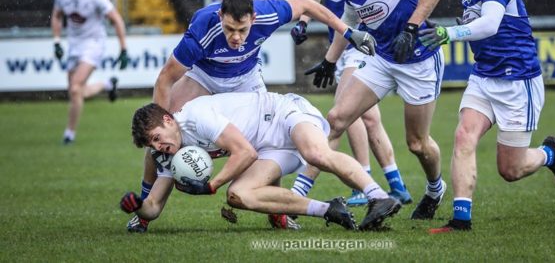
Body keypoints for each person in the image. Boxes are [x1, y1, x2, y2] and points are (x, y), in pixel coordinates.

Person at [127, 0, 375, 232]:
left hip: (246, 77)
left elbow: (306, 4)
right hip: (203, 77)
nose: (236, 37)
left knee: (265, 141)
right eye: (229, 29)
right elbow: (165, 79)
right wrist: (159, 118)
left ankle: (277, 213)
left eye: (242, 30)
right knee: (160, 136)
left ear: (253, 19)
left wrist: (347, 31)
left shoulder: (267, 13)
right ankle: (144, 213)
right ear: (220, 17)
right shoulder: (203, 28)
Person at [419, 0, 555, 233]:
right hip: (484, 78)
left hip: (517, 81)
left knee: (511, 169)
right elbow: (485, 29)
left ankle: (550, 155)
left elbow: (490, 24)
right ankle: (461, 220)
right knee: (464, 135)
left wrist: (451, 32)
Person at [305, 0, 449, 221]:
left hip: (418, 60)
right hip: (382, 59)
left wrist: (411, 27)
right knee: (335, 119)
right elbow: (349, 17)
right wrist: (331, 60)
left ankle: (435, 189)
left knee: (417, 144)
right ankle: (300, 194)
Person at [119, 92, 401, 231]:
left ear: (168, 120)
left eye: (157, 137)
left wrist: (211, 185)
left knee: (316, 154)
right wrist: (138, 207)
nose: (158, 147)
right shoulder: (168, 152)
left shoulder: (196, 117)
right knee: (238, 195)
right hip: (268, 147)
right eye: (151, 144)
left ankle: (378, 196)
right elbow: (154, 207)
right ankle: (330, 210)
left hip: (283, 113)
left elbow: (245, 154)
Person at [290, 0, 411, 206]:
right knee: (368, 118)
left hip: (364, 40)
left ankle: (309, 191)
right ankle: (394, 184)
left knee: (341, 117)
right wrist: (303, 20)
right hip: (338, 41)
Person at [51, 0, 128, 144]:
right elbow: (56, 15)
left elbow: (116, 19)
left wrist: (123, 48)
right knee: (75, 92)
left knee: (75, 88)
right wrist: (56, 41)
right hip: (74, 43)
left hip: (94, 43)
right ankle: (107, 85)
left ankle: (69, 134)